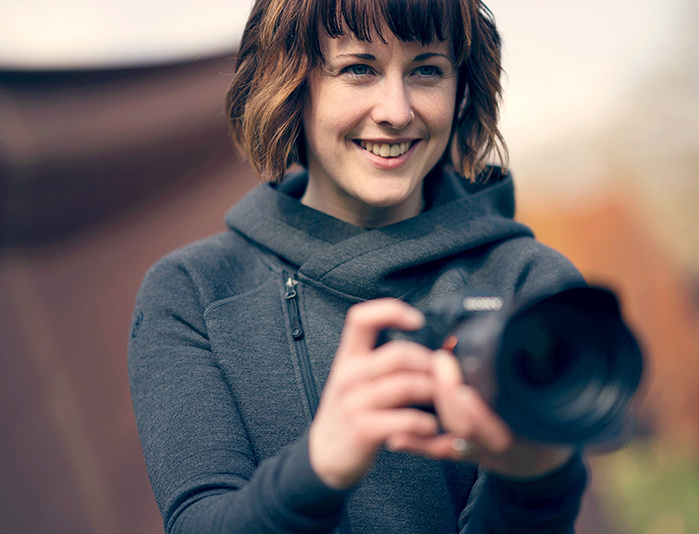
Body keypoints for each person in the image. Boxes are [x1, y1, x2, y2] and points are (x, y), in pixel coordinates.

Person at [128, 0, 589, 532]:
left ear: (462, 89)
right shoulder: (192, 293)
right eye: (358, 68)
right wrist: (317, 467)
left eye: (426, 70)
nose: (396, 110)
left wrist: (534, 481)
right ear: (288, 84)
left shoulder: (535, 289)